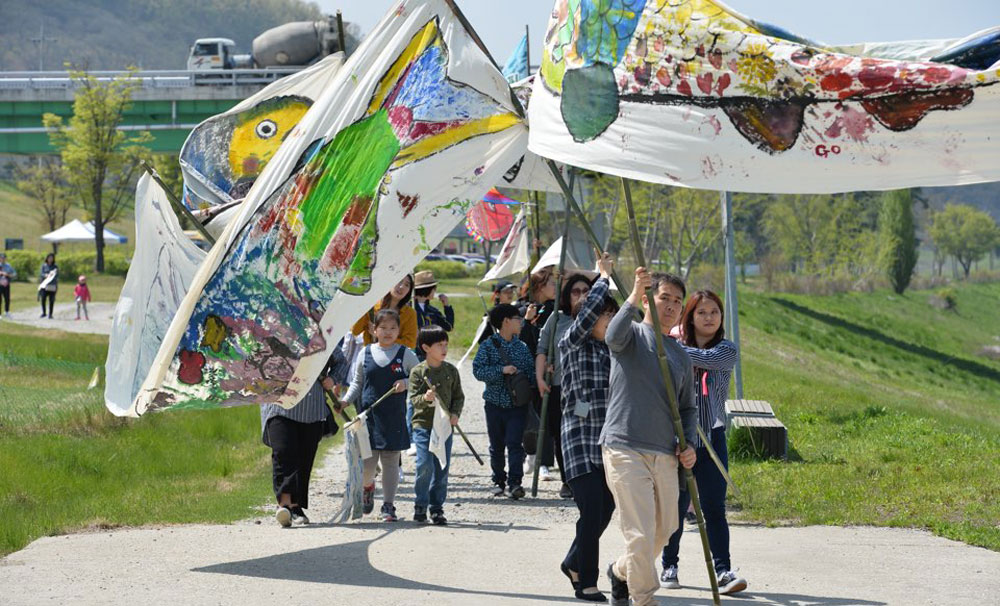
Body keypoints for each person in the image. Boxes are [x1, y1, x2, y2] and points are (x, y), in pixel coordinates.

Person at [601, 267, 697, 606]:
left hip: (665, 452)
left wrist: (689, 446)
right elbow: (611, 336)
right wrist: (630, 297)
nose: (671, 306)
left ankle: (619, 571)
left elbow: (688, 409)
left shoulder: (681, 355)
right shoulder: (632, 336)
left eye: (677, 301)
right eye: (664, 298)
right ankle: (643, 599)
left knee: (666, 528)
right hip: (624, 445)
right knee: (639, 533)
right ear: (647, 301)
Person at [660, 290, 746, 594]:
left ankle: (723, 570)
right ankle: (669, 564)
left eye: (715, 312)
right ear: (691, 316)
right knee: (677, 505)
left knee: (714, 507)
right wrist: (668, 344)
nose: (709, 318)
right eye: (702, 313)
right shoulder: (672, 347)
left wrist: (669, 345)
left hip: (713, 436)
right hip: (680, 438)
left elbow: (704, 359)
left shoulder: (726, 349)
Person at [558, 252, 619, 602]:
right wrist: (602, 277)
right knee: (592, 507)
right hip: (579, 439)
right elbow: (591, 306)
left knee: (606, 508)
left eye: (611, 314)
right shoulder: (573, 341)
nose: (609, 320)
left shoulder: (611, 352)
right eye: (605, 315)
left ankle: (572, 561)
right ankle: (588, 582)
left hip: (607, 442)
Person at [343, 308, 419, 522]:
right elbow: (357, 383)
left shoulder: (406, 354)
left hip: (394, 417)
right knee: (368, 463)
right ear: (374, 330)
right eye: (383, 328)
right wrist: (345, 401)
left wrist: (406, 383)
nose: (388, 332)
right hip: (368, 418)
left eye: (393, 328)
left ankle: (388, 505)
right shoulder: (365, 353)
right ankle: (368, 486)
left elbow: (421, 378)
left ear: (398, 330)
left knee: (391, 461)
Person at [536, 272, 594, 498]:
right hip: (560, 388)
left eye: (585, 291)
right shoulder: (557, 319)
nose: (580, 296)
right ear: (567, 296)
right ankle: (568, 480)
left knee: (585, 431)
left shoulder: (596, 318)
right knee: (563, 434)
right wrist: (540, 378)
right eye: (575, 292)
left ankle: (587, 477)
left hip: (586, 393)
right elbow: (542, 349)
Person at [472, 303, 535, 499]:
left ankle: (515, 483)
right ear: (506, 322)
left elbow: (531, 373)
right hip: (494, 404)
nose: (521, 321)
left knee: (515, 444)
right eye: (518, 318)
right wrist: (501, 371)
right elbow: (478, 371)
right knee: (496, 445)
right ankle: (498, 480)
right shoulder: (488, 345)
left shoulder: (522, 347)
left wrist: (534, 375)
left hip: (517, 406)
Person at [408, 325, 464, 525]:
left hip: (444, 427)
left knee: (442, 466)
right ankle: (420, 505)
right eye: (439, 345)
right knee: (424, 464)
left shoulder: (451, 371)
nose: (444, 348)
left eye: (446, 344)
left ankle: (437, 508)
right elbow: (413, 399)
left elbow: (458, 396)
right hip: (423, 425)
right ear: (425, 347)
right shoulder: (418, 372)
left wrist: (455, 414)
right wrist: (425, 397)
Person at [261, 376, 334, 527]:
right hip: (277, 401)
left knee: (304, 456)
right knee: (283, 450)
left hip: (310, 405)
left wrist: (333, 378)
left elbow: (339, 360)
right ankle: (285, 505)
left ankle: (296, 506)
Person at [351, 274, 417, 349]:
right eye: (399, 281)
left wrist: (380, 335)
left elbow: (410, 344)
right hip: (371, 355)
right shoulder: (372, 306)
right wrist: (366, 303)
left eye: (407, 285)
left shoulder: (409, 313)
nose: (402, 287)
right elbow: (355, 331)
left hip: (396, 358)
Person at [412, 270, 454, 334]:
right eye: (434, 289)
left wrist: (446, 306)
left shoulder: (433, 311)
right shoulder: (409, 308)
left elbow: (449, 327)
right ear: (427, 290)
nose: (435, 291)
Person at [38, 253, 57, 319]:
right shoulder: (44, 266)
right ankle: (44, 313)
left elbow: (56, 275)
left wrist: (51, 276)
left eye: (52, 258)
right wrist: (45, 275)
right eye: (49, 258)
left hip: (52, 285)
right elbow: (41, 273)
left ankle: (50, 314)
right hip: (44, 285)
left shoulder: (55, 266)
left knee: (51, 300)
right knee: (43, 299)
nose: (50, 259)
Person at [0, 252, 16, 318]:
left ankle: (7, 312)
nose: (3, 259)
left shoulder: (8, 266)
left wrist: (8, 275)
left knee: (7, 298)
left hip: (6, 284)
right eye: (1, 258)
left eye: (4, 258)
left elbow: (14, 274)